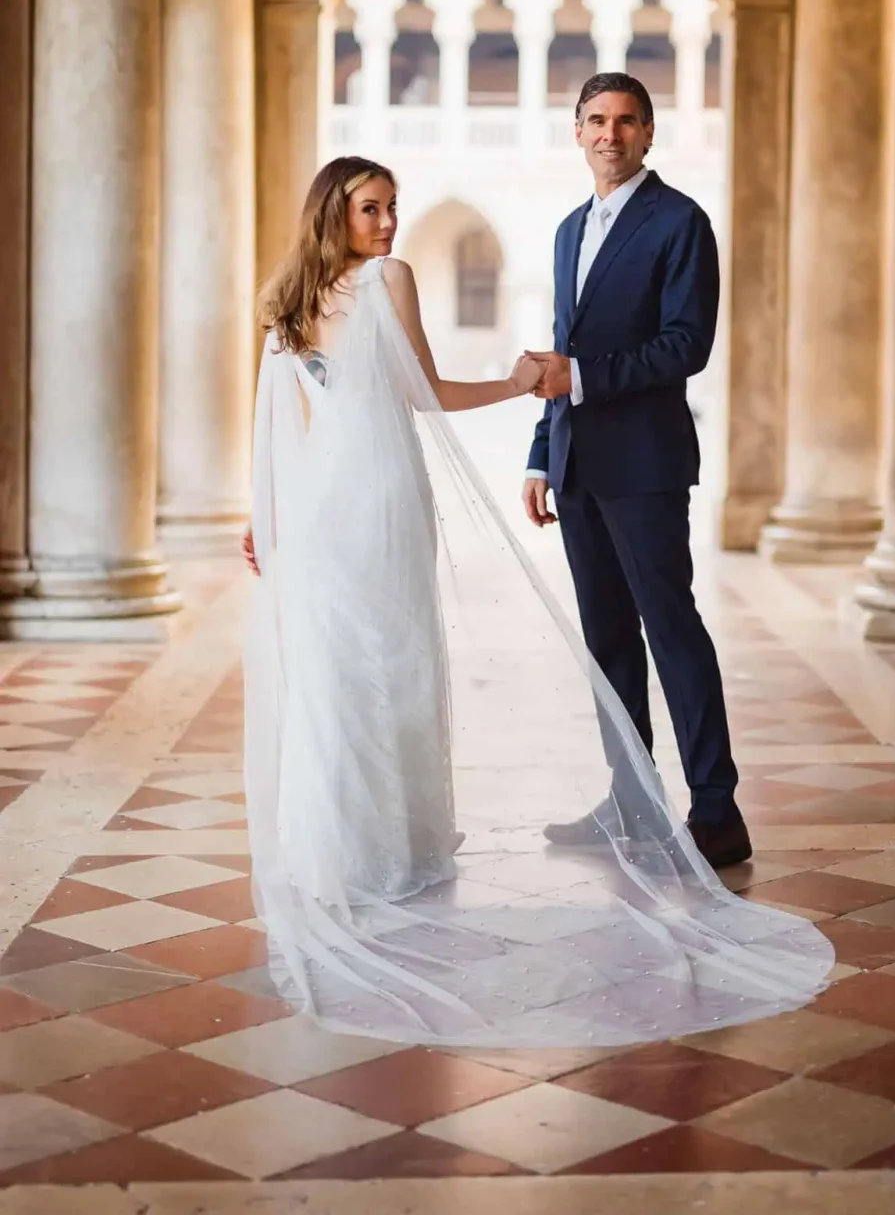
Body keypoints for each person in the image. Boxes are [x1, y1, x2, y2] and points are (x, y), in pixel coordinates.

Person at [241, 154, 831, 1047]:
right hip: (379, 494)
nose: (391, 225)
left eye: (394, 208)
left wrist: (267, 516)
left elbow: (277, 429)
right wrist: (522, 387)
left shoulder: (285, 300)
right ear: (335, 212)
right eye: (372, 209)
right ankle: (393, 847)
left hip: (326, 501)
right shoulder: (389, 279)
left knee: (339, 662)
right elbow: (426, 397)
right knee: (384, 661)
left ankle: (340, 850)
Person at [524, 72, 750, 870]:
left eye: (626, 121)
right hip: (579, 465)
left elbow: (687, 344)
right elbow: (562, 341)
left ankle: (717, 811)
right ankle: (633, 796)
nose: (609, 135)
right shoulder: (566, 231)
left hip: (647, 464)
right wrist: (539, 452)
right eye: (595, 120)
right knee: (608, 640)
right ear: (576, 132)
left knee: (672, 630)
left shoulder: (680, 222)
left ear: (649, 133)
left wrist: (579, 380)